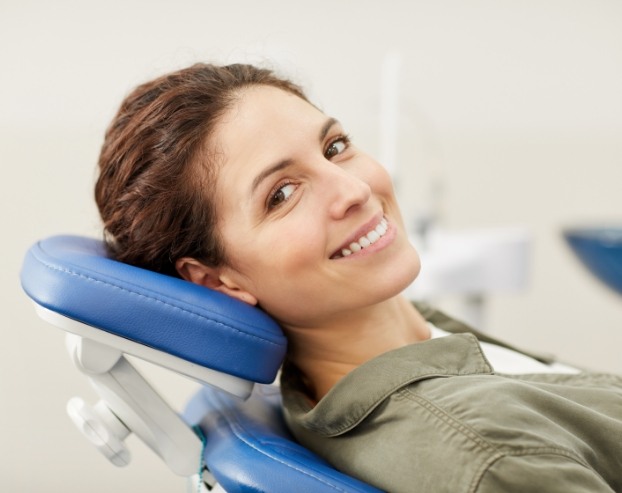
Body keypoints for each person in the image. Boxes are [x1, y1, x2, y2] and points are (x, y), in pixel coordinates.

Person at [95, 63, 622, 493]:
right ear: (218, 281)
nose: (352, 189)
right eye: (281, 194)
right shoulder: (489, 456)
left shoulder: (412, 338)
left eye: (334, 147)